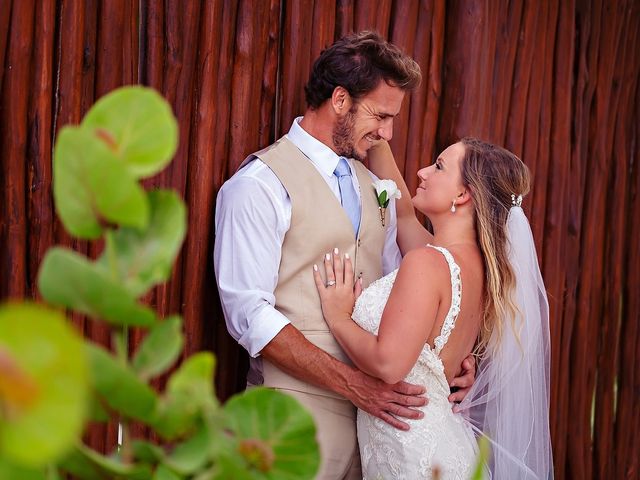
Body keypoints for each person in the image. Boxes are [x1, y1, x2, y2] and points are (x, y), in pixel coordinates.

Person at [214, 31, 476, 479]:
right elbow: (247, 314)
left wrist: (443, 358)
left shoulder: (375, 188)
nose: (387, 133)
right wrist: (354, 385)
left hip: (379, 441)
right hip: (288, 429)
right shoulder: (259, 186)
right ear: (339, 99)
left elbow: (402, 294)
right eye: (380, 115)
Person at [314, 138, 553, 479]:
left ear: (462, 195)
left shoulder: (427, 262)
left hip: (413, 456)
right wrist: (378, 138)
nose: (422, 172)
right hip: (440, 445)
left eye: (439, 166)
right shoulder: (478, 270)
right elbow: (405, 214)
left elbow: (388, 363)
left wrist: (338, 318)